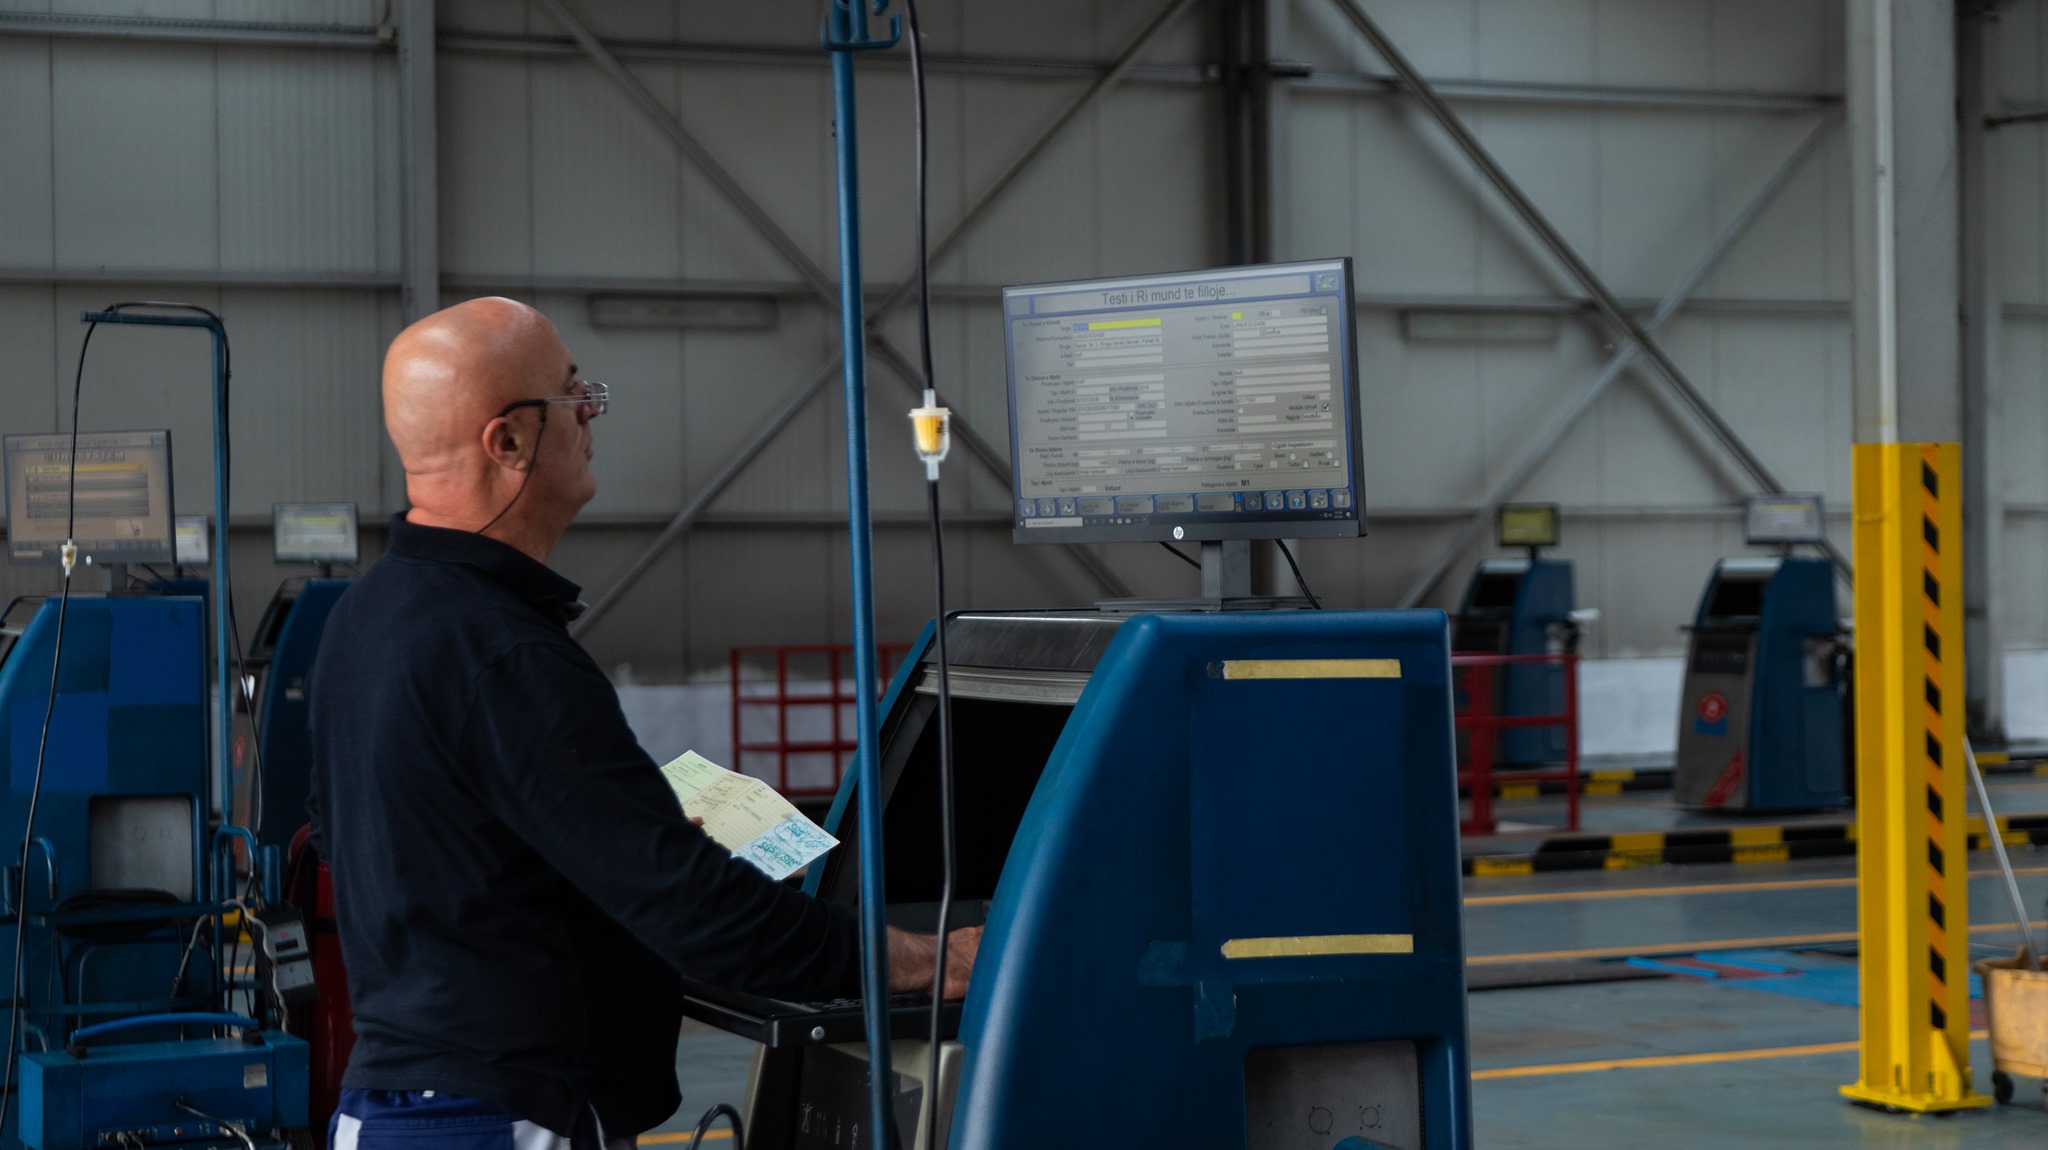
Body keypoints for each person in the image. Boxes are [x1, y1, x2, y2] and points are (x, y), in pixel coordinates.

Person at [309, 297, 978, 1150]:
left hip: (408, 1105)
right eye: (571, 394)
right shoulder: (503, 654)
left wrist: (595, 849)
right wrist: (932, 960)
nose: (591, 413)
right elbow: (700, 912)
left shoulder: (367, 617)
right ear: (506, 442)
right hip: (496, 1117)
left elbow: (354, 833)